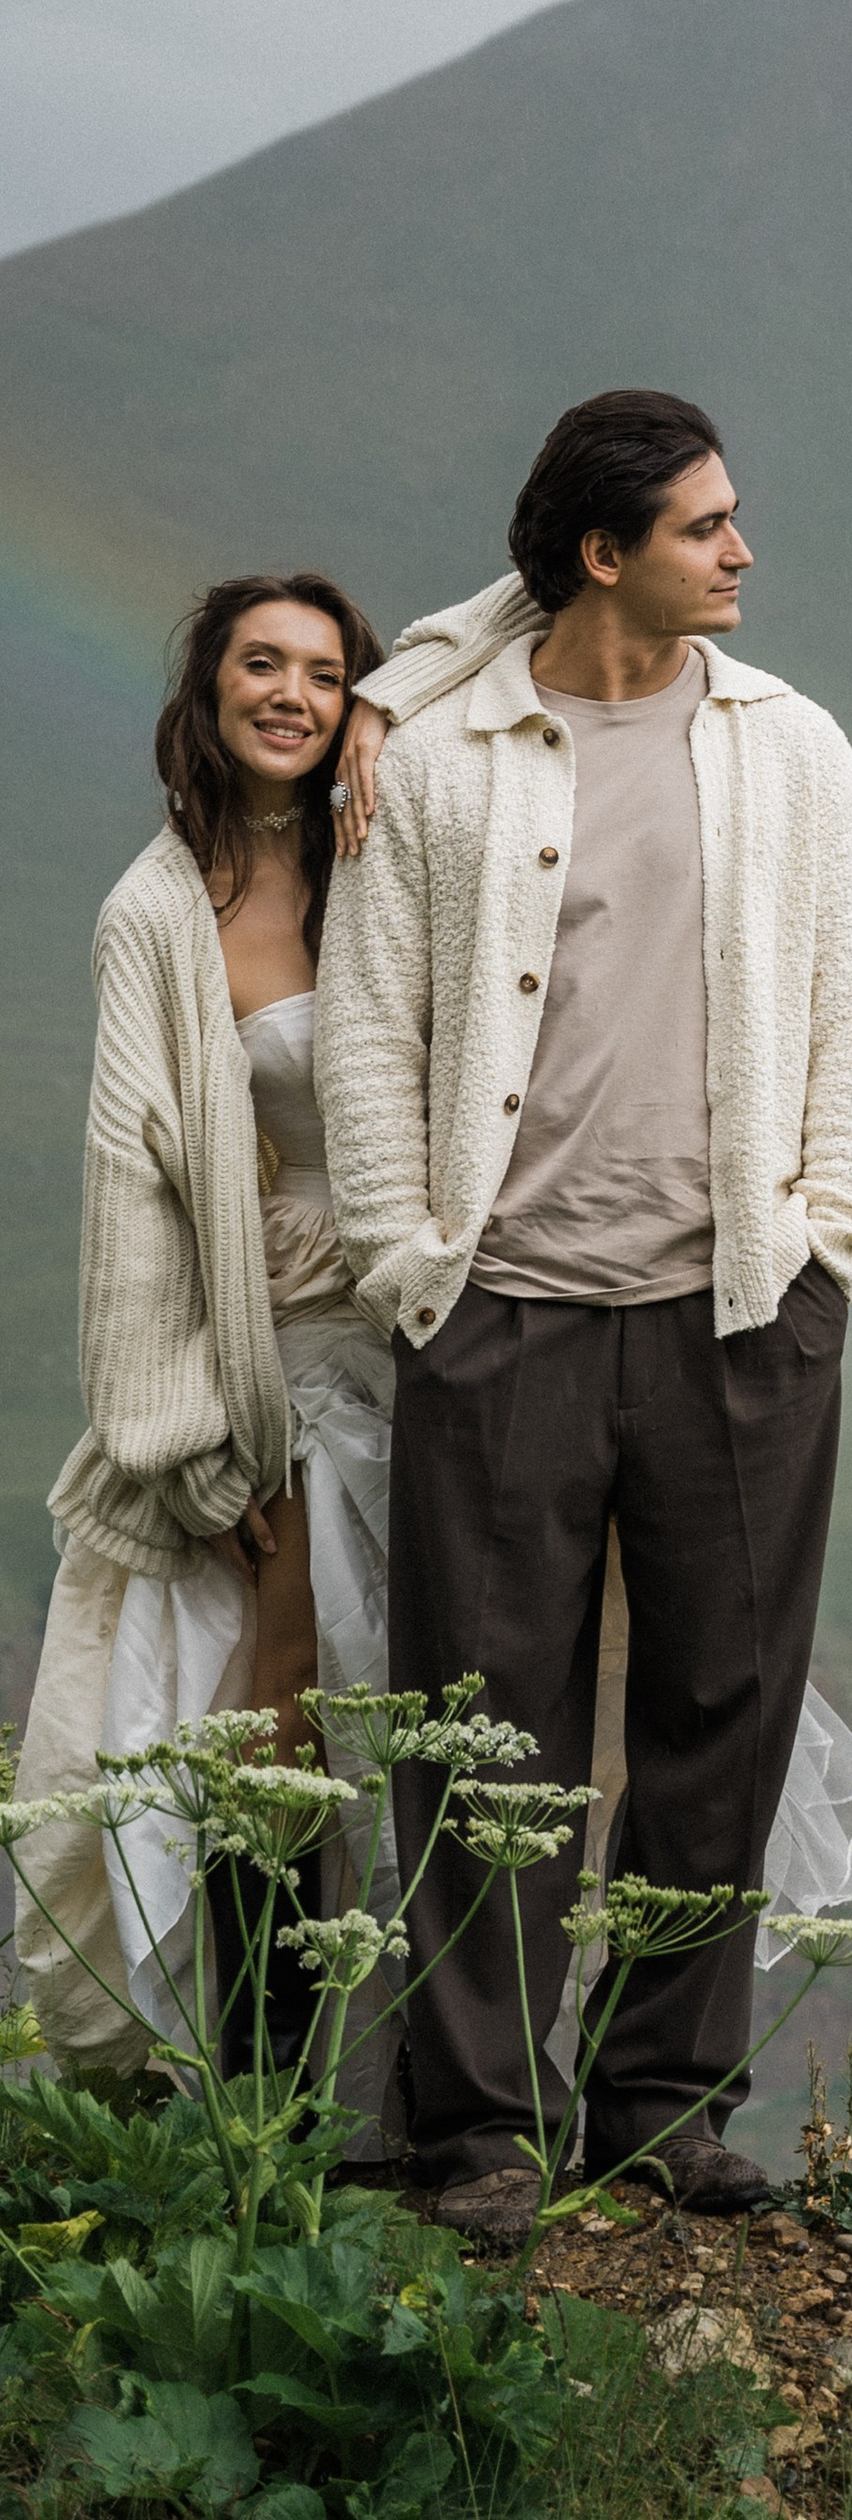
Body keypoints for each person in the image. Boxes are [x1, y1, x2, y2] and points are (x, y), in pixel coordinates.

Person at [316, 387, 852, 2245]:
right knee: (485, 1728)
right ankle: (477, 2121)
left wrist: (832, 1239)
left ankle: (662, 2105)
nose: (743, 552)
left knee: (726, 1706)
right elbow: (364, 1022)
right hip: (507, 1314)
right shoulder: (440, 755)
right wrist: (419, 1264)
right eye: (705, 527)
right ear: (601, 552)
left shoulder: (792, 748)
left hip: (740, 1312)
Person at [15, 573, 398, 2118]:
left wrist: (400, 698)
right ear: (209, 686)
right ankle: (264, 2084)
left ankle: (407, 2085)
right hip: (271, 1351)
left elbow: (541, 588)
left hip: (421, 1329)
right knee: (277, 1691)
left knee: (413, 1707)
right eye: (264, 664)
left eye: (326, 672)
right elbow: (138, 1195)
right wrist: (193, 1435)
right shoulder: (155, 916)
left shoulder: (394, 863)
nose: (293, 694)